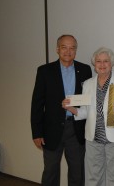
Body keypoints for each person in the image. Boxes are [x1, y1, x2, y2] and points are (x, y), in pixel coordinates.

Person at [62, 47, 114, 186]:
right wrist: (72, 109)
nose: (102, 64)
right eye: (98, 61)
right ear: (94, 64)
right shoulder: (87, 84)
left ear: (111, 64)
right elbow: (85, 113)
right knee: (93, 179)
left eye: (106, 61)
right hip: (93, 139)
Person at [31, 34, 92, 186]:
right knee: (50, 172)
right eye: (64, 47)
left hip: (76, 128)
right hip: (51, 129)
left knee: (77, 173)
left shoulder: (85, 70)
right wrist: (37, 133)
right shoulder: (45, 71)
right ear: (57, 49)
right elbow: (37, 104)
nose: (68, 51)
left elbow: (91, 98)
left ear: (76, 51)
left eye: (72, 48)